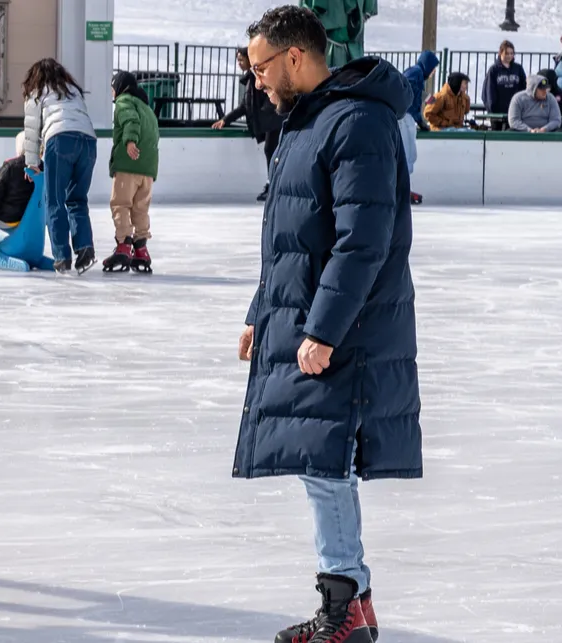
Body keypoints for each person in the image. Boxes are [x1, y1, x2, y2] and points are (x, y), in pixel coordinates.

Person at [236, 7, 421, 643]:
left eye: (260, 67)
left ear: (295, 57)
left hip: (347, 331)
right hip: (310, 320)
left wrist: (324, 330)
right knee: (321, 464)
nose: (256, 81)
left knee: (324, 463)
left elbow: (362, 239)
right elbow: (290, 237)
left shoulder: (357, 120)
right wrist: (261, 314)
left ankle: (344, 606)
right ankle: (353, 605)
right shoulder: (309, 121)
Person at [22, 58, 98, 274]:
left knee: (54, 200)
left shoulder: (37, 93)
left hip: (60, 140)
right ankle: (84, 249)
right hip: (88, 142)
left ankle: (62, 257)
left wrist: (32, 163)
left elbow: (31, 130)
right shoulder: (73, 90)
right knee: (77, 200)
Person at [212, 47, 285, 201]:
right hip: (269, 122)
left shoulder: (259, 77)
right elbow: (245, 106)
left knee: (271, 150)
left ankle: (274, 184)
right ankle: (272, 183)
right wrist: (225, 120)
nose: (239, 63)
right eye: (237, 60)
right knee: (270, 151)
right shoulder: (250, 80)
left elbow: (271, 97)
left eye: (241, 59)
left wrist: (264, 112)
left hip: (274, 120)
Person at [104, 71, 159, 273]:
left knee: (120, 204)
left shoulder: (124, 101)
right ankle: (141, 249)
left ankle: (124, 246)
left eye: (113, 88)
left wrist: (129, 142)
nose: (112, 93)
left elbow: (131, 121)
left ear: (120, 87)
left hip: (129, 164)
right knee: (140, 209)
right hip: (148, 169)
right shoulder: (146, 108)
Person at [399, 51, 439, 205]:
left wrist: (425, 97)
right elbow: (411, 98)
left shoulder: (416, 74)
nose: (433, 72)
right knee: (407, 153)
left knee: (409, 154)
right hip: (405, 117)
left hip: (405, 116)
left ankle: (403, 188)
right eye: (433, 68)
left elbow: (414, 94)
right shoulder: (416, 74)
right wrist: (420, 121)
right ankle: (402, 189)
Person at [482, 40, 527, 130]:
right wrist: (492, 109)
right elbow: (489, 91)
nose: (509, 56)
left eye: (511, 53)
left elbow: (524, 87)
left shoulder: (518, 68)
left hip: (514, 110)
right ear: (500, 53)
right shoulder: (494, 70)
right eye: (506, 53)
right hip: (497, 112)